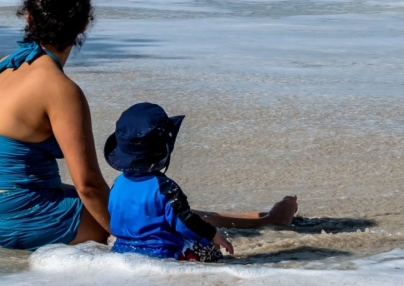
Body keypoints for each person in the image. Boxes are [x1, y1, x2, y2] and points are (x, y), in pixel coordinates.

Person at [0, 0, 110, 250]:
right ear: (84, 24)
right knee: (144, 219)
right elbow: (88, 185)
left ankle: (216, 220)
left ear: (29, 19)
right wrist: (125, 233)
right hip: (9, 220)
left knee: (129, 205)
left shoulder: (5, 67)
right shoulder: (59, 89)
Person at [105, 102, 298, 261]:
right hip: (163, 256)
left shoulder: (118, 184)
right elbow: (185, 222)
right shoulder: (165, 188)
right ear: (165, 149)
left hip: (123, 252)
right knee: (208, 248)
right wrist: (213, 235)